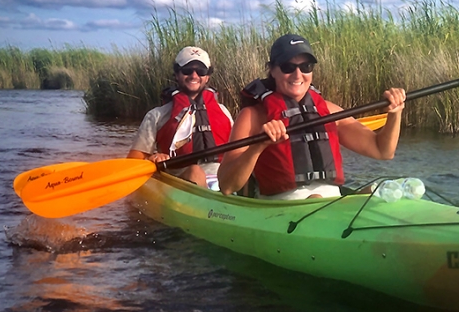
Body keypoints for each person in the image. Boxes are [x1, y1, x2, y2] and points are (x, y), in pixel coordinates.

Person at [217, 34, 406, 199]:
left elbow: (383, 151)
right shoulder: (252, 116)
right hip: (280, 209)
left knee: (379, 189)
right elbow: (227, 186)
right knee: (316, 197)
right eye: (287, 67)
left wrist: (395, 113)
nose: (298, 74)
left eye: (306, 66)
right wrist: (257, 147)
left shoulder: (330, 112)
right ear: (273, 70)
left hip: (329, 204)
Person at [128, 46, 233, 189]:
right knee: (195, 172)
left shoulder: (223, 112)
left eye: (201, 71)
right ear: (177, 74)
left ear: (207, 76)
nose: (194, 75)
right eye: (187, 70)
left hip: (223, 178)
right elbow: (133, 160)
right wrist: (151, 159)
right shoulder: (157, 116)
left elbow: (238, 154)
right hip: (180, 180)